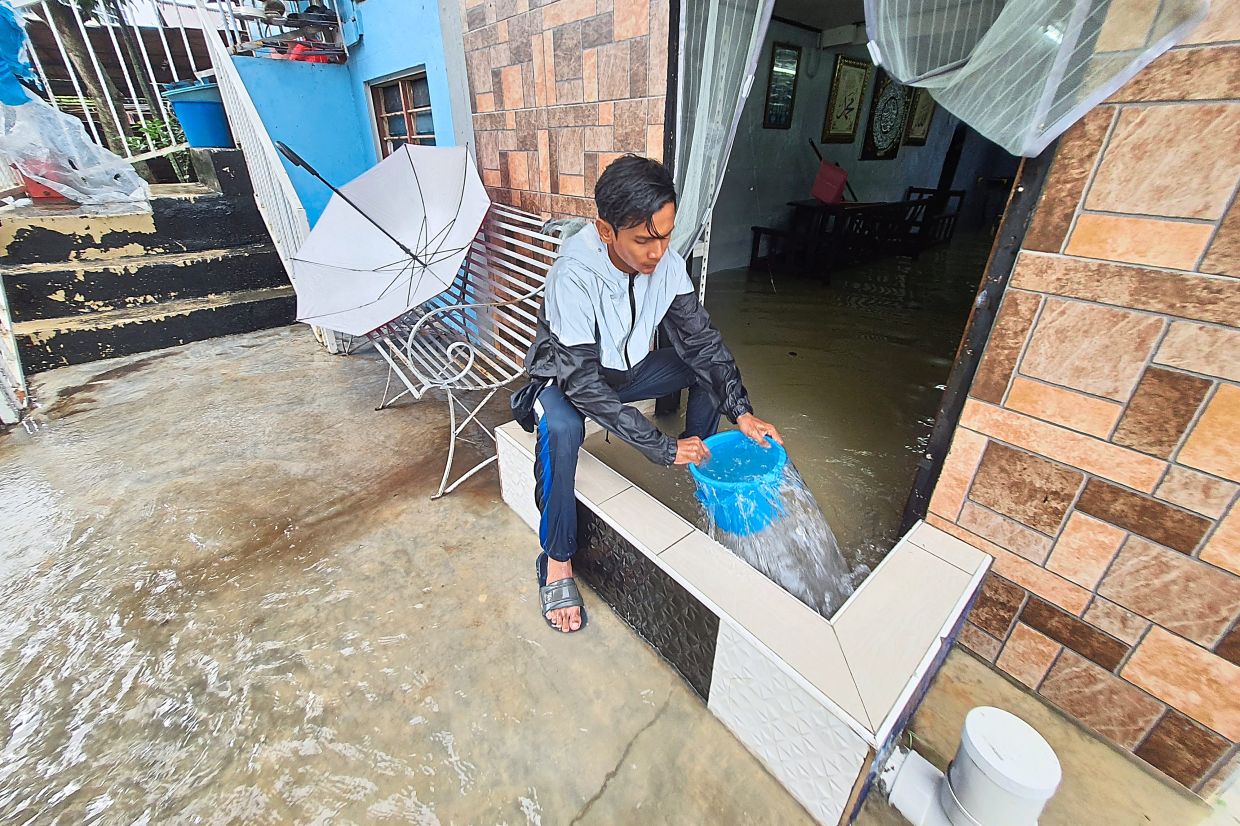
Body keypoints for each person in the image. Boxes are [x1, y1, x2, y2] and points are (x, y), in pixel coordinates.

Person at [517, 154, 782, 634]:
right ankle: (556, 560)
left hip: (625, 374)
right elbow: (582, 383)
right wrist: (658, 446)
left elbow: (702, 342)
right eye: (644, 239)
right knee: (562, 426)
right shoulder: (572, 277)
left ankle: (698, 459)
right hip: (562, 381)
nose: (658, 252)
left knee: (702, 368)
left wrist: (741, 411)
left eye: (666, 234)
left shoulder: (667, 264)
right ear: (605, 231)